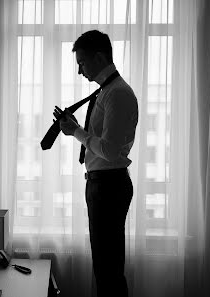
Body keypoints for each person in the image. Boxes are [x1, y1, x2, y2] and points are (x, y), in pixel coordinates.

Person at [54, 30, 138, 297]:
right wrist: (76, 129)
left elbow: (110, 151)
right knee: (106, 266)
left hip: (109, 186)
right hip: (103, 185)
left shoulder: (117, 94)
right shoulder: (108, 92)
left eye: (82, 63)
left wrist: (76, 131)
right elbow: (102, 144)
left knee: (108, 269)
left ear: (99, 57)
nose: (80, 71)